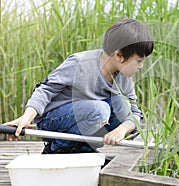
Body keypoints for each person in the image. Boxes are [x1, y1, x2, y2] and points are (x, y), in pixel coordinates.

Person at [4, 18, 154, 154]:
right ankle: (57, 150)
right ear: (119, 56)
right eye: (139, 61)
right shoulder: (80, 63)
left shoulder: (123, 76)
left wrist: (123, 129)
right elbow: (45, 89)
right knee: (100, 110)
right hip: (55, 120)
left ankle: (84, 148)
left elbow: (135, 112)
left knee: (122, 105)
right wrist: (26, 117)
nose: (141, 66)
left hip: (89, 119)